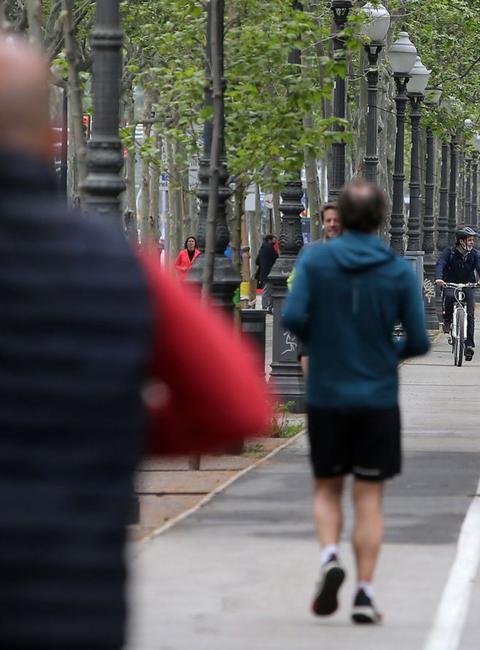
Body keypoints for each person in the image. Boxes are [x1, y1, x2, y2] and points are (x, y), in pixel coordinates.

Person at [0, 37, 271, 650]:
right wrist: (102, 429)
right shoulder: (114, 266)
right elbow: (237, 406)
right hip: (62, 600)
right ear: (50, 140)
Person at [283, 180, 429, 625]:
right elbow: (420, 340)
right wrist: (386, 356)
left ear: (339, 218)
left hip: (327, 393)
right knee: (370, 498)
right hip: (377, 397)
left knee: (327, 487)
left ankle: (330, 556)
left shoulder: (316, 260)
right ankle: (364, 593)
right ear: (381, 218)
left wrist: (322, 346)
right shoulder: (398, 270)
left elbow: (290, 315)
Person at [294, 202, 343, 375]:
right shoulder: (309, 251)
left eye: (336, 220)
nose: (332, 224)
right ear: (323, 223)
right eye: (328, 220)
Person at [435, 226, 480, 361]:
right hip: (450, 283)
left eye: (472, 240)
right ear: (461, 241)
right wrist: (439, 278)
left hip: (467, 285)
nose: (472, 242)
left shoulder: (474, 254)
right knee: (449, 297)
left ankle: (469, 344)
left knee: (470, 314)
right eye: (469, 240)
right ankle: (447, 320)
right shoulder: (450, 252)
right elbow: (440, 264)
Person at [255, 234, 278, 312]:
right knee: (268, 290)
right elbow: (276, 258)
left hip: (263, 273)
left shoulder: (262, 248)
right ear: (269, 240)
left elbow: (257, 262)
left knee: (268, 290)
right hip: (270, 272)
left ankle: (267, 307)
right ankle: (267, 307)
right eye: (274, 239)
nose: (275, 241)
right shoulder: (270, 248)